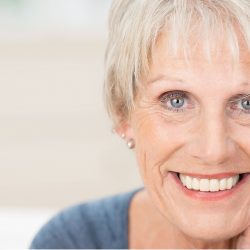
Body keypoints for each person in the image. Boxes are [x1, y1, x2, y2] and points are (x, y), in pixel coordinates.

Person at [30, 0, 250, 248]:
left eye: (246, 104)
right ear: (122, 113)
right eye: (176, 101)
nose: (214, 151)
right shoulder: (75, 241)